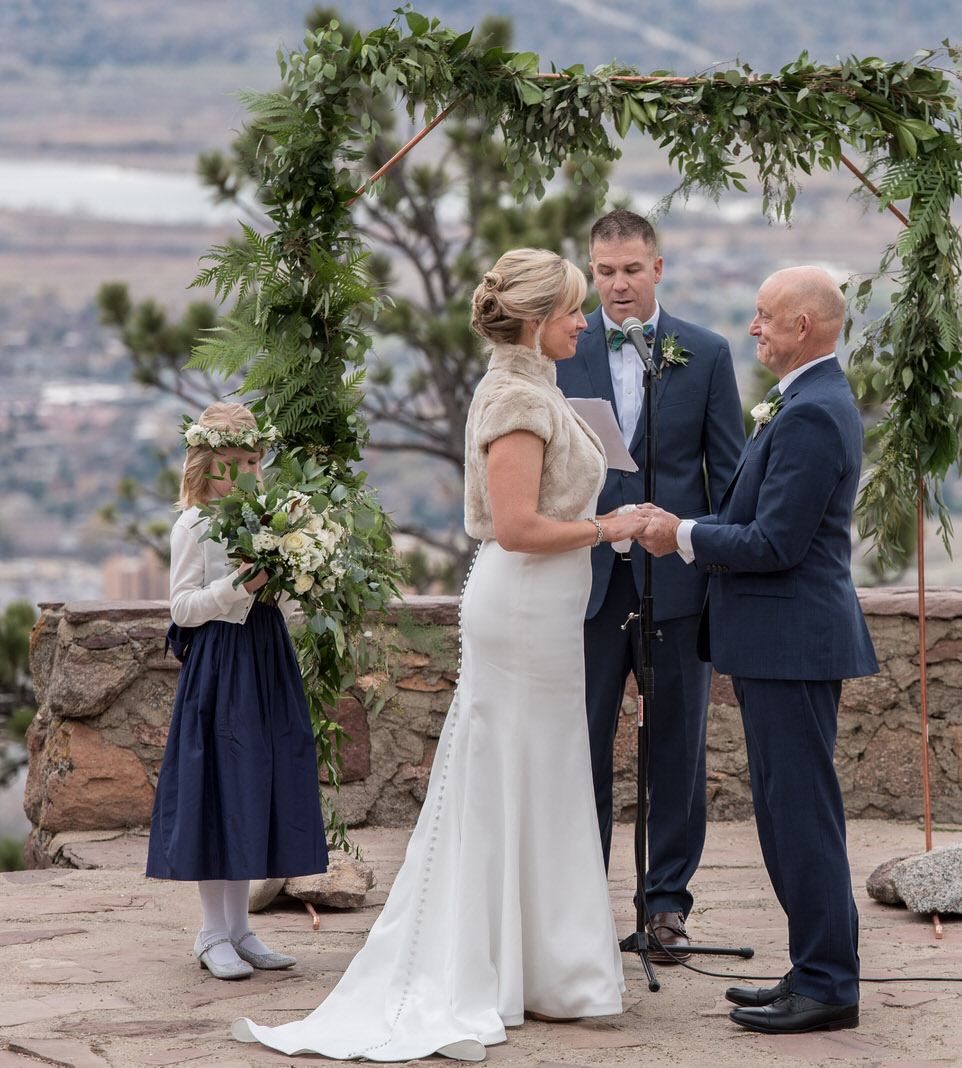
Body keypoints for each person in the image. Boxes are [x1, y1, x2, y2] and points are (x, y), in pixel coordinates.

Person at [233, 249, 649, 1061]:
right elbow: (515, 526)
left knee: (546, 775)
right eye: (571, 309)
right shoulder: (517, 399)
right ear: (535, 320)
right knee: (511, 774)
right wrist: (612, 526)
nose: (583, 320)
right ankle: (494, 969)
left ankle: (542, 968)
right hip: (522, 608)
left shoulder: (539, 387)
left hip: (546, 611)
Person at [635, 265, 878, 1034]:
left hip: (793, 644)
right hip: (782, 644)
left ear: (804, 326)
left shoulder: (812, 412)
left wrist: (681, 535)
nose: (754, 329)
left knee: (802, 816)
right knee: (787, 814)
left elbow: (776, 541)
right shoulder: (808, 399)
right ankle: (813, 969)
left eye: (766, 317)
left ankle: (829, 983)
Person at [554, 209, 743, 961]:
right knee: (581, 749)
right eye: (605, 271)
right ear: (590, 272)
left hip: (678, 587)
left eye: (632, 269)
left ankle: (666, 908)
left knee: (677, 753)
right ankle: (576, 903)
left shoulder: (705, 352)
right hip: (590, 587)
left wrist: (707, 560)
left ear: (658, 268)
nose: (618, 283)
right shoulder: (564, 351)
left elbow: (727, 481)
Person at [148, 402, 327, 981]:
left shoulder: (270, 518)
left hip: (265, 658)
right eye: (233, 462)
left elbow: (285, 598)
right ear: (205, 465)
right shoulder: (194, 525)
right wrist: (236, 585)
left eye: (254, 459)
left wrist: (301, 574)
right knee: (219, 785)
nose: (247, 471)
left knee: (256, 784)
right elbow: (182, 607)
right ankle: (211, 932)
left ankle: (242, 930)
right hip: (221, 665)